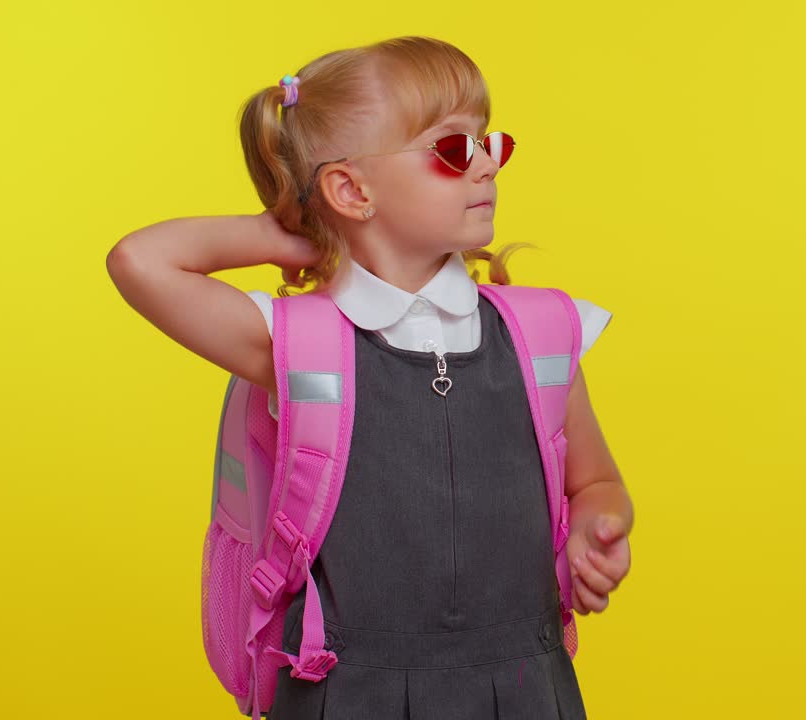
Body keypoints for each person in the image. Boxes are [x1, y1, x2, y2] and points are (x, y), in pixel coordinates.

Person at [107, 34, 633, 720]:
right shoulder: (296, 345)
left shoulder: (542, 336)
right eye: (451, 149)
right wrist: (290, 233)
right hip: (346, 694)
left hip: (527, 690)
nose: (485, 167)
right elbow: (138, 261)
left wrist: (601, 522)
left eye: (488, 142)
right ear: (352, 189)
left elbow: (596, 482)